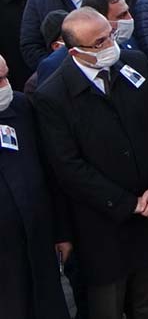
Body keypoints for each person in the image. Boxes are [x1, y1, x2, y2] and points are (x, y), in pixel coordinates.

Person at [34, 8, 148, 319]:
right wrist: (129, 204)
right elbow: (68, 167)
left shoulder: (135, 63)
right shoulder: (52, 96)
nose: (110, 44)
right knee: (106, 306)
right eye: (99, 43)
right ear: (75, 52)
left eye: (109, 35)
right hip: (102, 230)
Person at [0, 54, 72, 319]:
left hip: (38, 244)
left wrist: (61, 232)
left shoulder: (20, 106)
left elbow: (49, 171)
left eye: (6, 76)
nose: (6, 85)